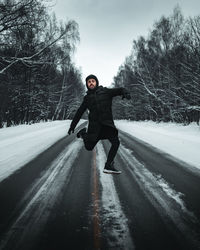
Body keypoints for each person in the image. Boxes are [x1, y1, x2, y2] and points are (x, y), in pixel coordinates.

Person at [68, 74, 131, 174]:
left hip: (107, 125)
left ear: (96, 82)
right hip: (95, 127)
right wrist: (72, 126)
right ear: (87, 84)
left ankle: (108, 165)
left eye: (93, 81)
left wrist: (125, 93)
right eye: (89, 82)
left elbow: (119, 90)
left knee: (116, 143)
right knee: (89, 147)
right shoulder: (87, 98)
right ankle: (83, 133)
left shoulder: (106, 92)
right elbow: (79, 112)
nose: (91, 83)